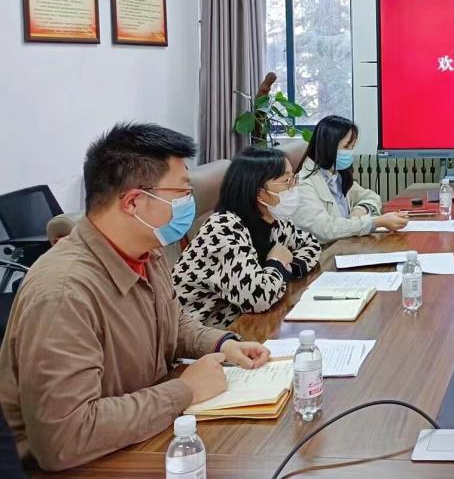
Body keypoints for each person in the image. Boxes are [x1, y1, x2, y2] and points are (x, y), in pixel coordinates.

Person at [0, 123, 270, 471]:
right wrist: (184, 391)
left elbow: (171, 322)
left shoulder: (147, 252)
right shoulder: (63, 293)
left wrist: (222, 343)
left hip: (140, 438)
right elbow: (64, 439)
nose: (189, 204)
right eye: (182, 193)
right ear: (133, 202)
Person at [174, 147, 321, 328]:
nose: (294, 188)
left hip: (245, 321)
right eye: (286, 181)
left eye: (293, 178)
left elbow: (311, 244)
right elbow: (259, 298)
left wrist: (287, 268)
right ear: (259, 193)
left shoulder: (273, 220)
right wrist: (276, 262)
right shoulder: (223, 229)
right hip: (203, 331)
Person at [294, 116, 408, 242]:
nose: (350, 152)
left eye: (352, 147)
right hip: (325, 250)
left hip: (346, 243)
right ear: (328, 146)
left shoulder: (335, 175)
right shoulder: (304, 183)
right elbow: (326, 229)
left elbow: (371, 196)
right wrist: (376, 222)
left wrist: (361, 209)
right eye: (346, 146)